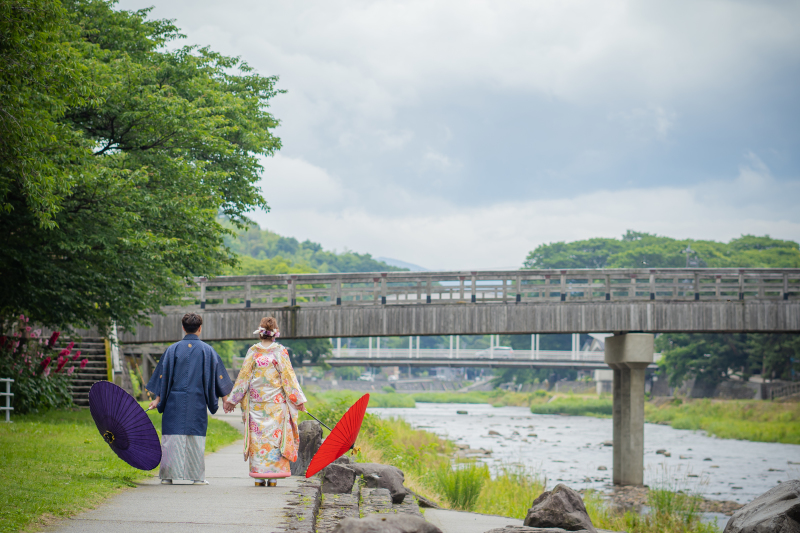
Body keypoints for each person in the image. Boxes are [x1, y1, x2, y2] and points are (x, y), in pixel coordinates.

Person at [146, 312, 233, 485]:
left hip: (174, 402)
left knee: (172, 438)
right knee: (195, 438)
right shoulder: (208, 351)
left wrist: (157, 399)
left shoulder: (172, 350)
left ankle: (167, 476)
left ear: (183, 328)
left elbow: (163, 377)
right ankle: (197, 477)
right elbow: (218, 376)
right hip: (197, 401)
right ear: (200, 328)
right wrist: (225, 399)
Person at [223, 317, 307, 486]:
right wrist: (298, 400)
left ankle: (259, 477)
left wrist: (232, 400)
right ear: (275, 333)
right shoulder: (280, 351)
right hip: (276, 405)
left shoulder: (253, 351)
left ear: (260, 333)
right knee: (275, 440)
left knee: (257, 439)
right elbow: (289, 378)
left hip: (256, 405)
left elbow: (243, 378)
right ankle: (273, 477)